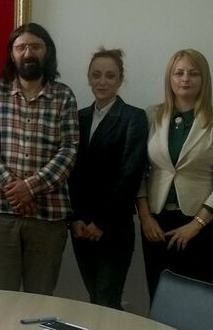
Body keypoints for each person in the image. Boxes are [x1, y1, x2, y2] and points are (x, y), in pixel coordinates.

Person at [0, 23, 79, 295]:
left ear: (47, 51)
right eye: (21, 47)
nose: (28, 53)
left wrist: (30, 188)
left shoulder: (64, 95)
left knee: (40, 297)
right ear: (12, 54)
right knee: (0, 295)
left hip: (48, 216)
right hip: (1, 213)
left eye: (35, 46)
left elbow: (69, 150)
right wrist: (13, 189)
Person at [137, 48, 213, 298]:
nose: (185, 79)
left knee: (194, 302)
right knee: (159, 297)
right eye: (178, 73)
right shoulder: (151, 115)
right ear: (169, 78)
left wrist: (196, 225)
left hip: (199, 224)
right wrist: (145, 218)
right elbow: (139, 171)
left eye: (193, 73)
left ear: (204, 79)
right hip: (156, 223)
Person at [67, 48, 148, 309]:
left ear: (120, 79)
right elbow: (71, 173)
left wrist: (101, 222)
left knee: (107, 299)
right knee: (94, 298)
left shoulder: (133, 117)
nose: (102, 82)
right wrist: (75, 218)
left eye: (110, 76)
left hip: (114, 227)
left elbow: (130, 175)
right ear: (89, 78)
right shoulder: (78, 117)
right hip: (81, 226)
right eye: (96, 75)